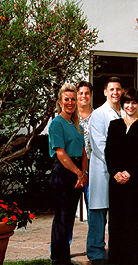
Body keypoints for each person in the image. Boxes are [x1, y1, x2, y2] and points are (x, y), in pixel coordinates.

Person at [105, 88, 138, 265]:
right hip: (117, 181)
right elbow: (108, 152)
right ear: (122, 104)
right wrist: (115, 173)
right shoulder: (114, 125)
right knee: (118, 221)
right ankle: (118, 260)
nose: (130, 106)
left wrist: (129, 172)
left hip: (137, 180)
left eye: (134, 102)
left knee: (136, 221)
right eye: (127, 102)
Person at [48, 84, 88, 265]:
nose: (70, 102)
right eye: (67, 99)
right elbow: (61, 153)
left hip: (77, 172)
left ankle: (64, 257)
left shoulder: (75, 123)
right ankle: (59, 258)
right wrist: (79, 173)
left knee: (70, 216)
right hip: (64, 173)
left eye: (73, 99)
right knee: (62, 217)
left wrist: (84, 173)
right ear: (60, 102)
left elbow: (83, 150)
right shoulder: (57, 123)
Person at [87, 77, 125, 265]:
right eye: (111, 89)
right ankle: (96, 253)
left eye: (118, 89)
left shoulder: (126, 112)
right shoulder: (99, 114)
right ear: (105, 92)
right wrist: (116, 165)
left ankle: (117, 250)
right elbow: (99, 144)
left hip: (120, 172)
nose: (115, 92)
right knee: (99, 212)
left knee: (118, 213)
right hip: (103, 170)